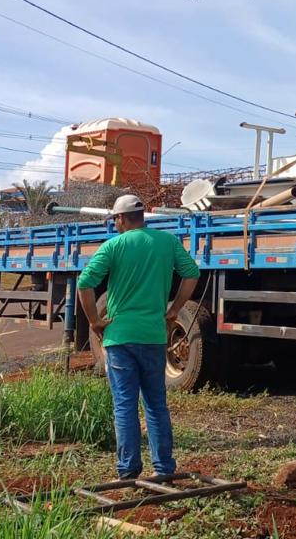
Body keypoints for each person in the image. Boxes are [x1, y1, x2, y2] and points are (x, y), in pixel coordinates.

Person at [77, 194, 201, 481]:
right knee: (156, 404)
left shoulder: (113, 246)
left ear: (120, 219)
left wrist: (95, 321)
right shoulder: (167, 242)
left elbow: (85, 283)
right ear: (142, 217)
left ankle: (128, 471)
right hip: (154, 336)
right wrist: (175, 309)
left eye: (115, 221)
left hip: (120, 337)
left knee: (124, 404)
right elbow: (191, 273)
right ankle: (164, 469)